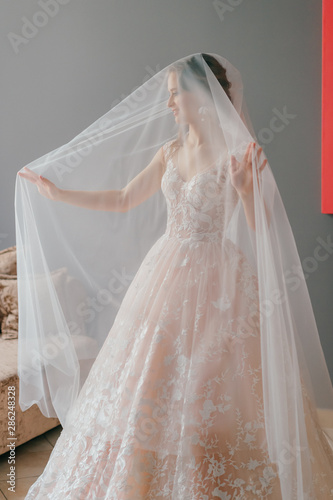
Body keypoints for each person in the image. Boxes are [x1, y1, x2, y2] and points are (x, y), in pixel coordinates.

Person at [16, 53, 333, 499]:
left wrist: (244, 192)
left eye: (173, 95)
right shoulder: (171, 151)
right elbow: (124, 198)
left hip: (219, 284)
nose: (168, 105)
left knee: (208, 391)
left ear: (200, 96)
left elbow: (264, 232)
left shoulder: (237, 154)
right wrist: (58, 193)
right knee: (150, 383)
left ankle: (204, 480)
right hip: (164, 275)